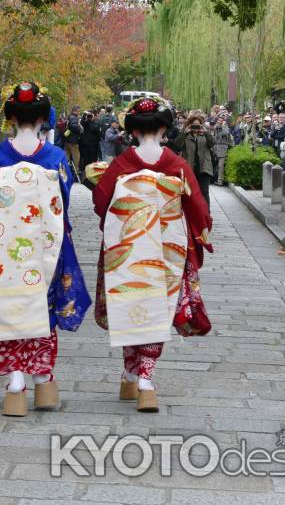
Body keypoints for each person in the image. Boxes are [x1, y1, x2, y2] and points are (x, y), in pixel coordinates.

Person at [0, 83, 91, 417]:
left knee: (6, 304)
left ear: (11, 117)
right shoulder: (55, 158)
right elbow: (63, 200)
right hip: (45, 247)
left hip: (2, 248)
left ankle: (15, 384)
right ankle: (44, 380)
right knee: (43, 305)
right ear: (42, 118)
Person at [86, 96, 213, 413]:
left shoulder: (121, 164)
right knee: (158, 307)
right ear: (165, 128)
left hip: (126, 249)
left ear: (132, 130)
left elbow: (101, 202)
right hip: (167, 250)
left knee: (130, 303)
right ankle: (145, 380)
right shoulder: (176, 165)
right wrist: (199, 233)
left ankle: (130, 375)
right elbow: (199, 209)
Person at [174, 112, 215, 213]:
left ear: (201, 125)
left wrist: (206, 132)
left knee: (204, 192)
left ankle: (206, 213)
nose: (196, 127)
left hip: (204, 168)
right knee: (189, 193)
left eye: (198, 125)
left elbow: (212, 143)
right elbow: (177, 145)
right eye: (194, 125)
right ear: (189, 125)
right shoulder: (186, 135)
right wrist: (184, 133)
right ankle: (192, 213)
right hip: (190, 169)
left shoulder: (205, 135)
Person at [210, 117, 234, 185]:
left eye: (221, 121)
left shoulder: (225, 129)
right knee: (216, 166)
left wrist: (221, 127)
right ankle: (214, 179)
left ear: (223, 122)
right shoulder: (215, 128)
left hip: (223, 149)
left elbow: (227, 135)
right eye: (219, 120)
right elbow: (213, 138)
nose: (220, 122)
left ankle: (220, 181)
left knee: (221, 166)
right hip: (215, 149)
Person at [64, 106, 83, 174]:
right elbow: (74, 126)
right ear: (74, 111)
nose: (79, 112)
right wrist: (80, 129)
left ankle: (65, 168)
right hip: (73, 140)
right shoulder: (74, 118)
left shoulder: (69, 117)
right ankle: (76, 169)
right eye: (78, 111)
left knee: (67, 155)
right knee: (76, 155)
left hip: (67, 138)